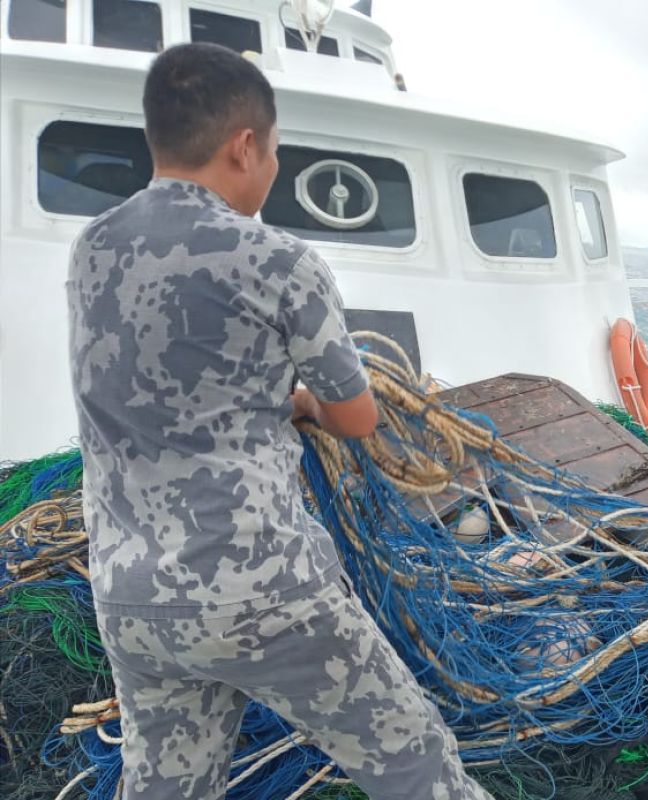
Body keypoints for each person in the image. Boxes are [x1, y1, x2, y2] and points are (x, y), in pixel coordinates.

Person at [66, 43, 491, 800]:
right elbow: (355, 417)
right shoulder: (278, 259)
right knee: (413, 758)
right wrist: (303, 403)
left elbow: (161, 384)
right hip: (260, 589)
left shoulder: (91, 248)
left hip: (130, 598)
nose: (272, 170)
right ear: (245, 146)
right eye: (275, 152)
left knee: (165, 787)